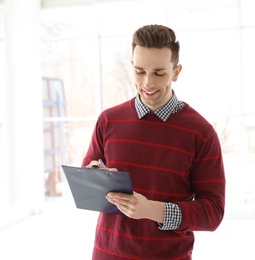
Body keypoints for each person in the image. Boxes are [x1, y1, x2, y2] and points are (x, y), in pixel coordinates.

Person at [82, 24, 225, 260]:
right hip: (106, 254)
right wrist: (95, 175)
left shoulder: (201, 133)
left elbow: (213, 212)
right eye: (140, 71)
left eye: (159, 73)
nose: (148, 82)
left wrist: (153, 210)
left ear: (176, 72)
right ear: (132, 67)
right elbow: (87, 179)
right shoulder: (108, 120)